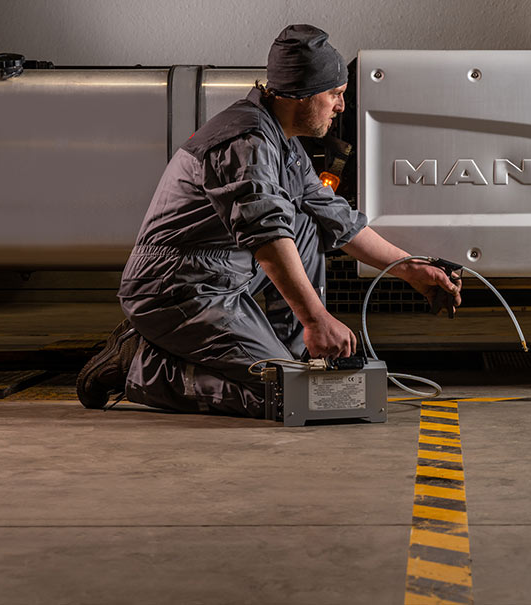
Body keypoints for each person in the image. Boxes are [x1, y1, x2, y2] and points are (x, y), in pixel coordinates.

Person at [76, 25, 460, 417]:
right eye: (335, 95)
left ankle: (293, 356)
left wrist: (413, 269)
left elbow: (337, 220)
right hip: (175, 290)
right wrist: (318, 319)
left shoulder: (282, 141)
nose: (341, 107)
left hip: (220, 275)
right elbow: (269, 239)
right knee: (294, 399)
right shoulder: (247, 143)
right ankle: (137, 365)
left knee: (308, 222)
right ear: (303, 97)